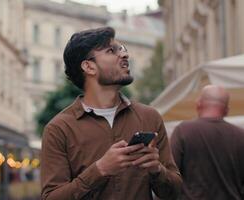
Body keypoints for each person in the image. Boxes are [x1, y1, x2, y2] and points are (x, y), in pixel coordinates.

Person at [41, 27, 182, 200]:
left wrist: (157, 170)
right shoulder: (59, 129)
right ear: (89, 66)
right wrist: (99, 170)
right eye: (111, 51)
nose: (124, 55)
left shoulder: (150, 117)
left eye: (122, 49)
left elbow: (176, 193)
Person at [171, 85, 244, 199]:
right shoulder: (241, 135)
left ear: (199, 104)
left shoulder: (183, 131)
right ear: (227, 110)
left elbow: (170, 174)